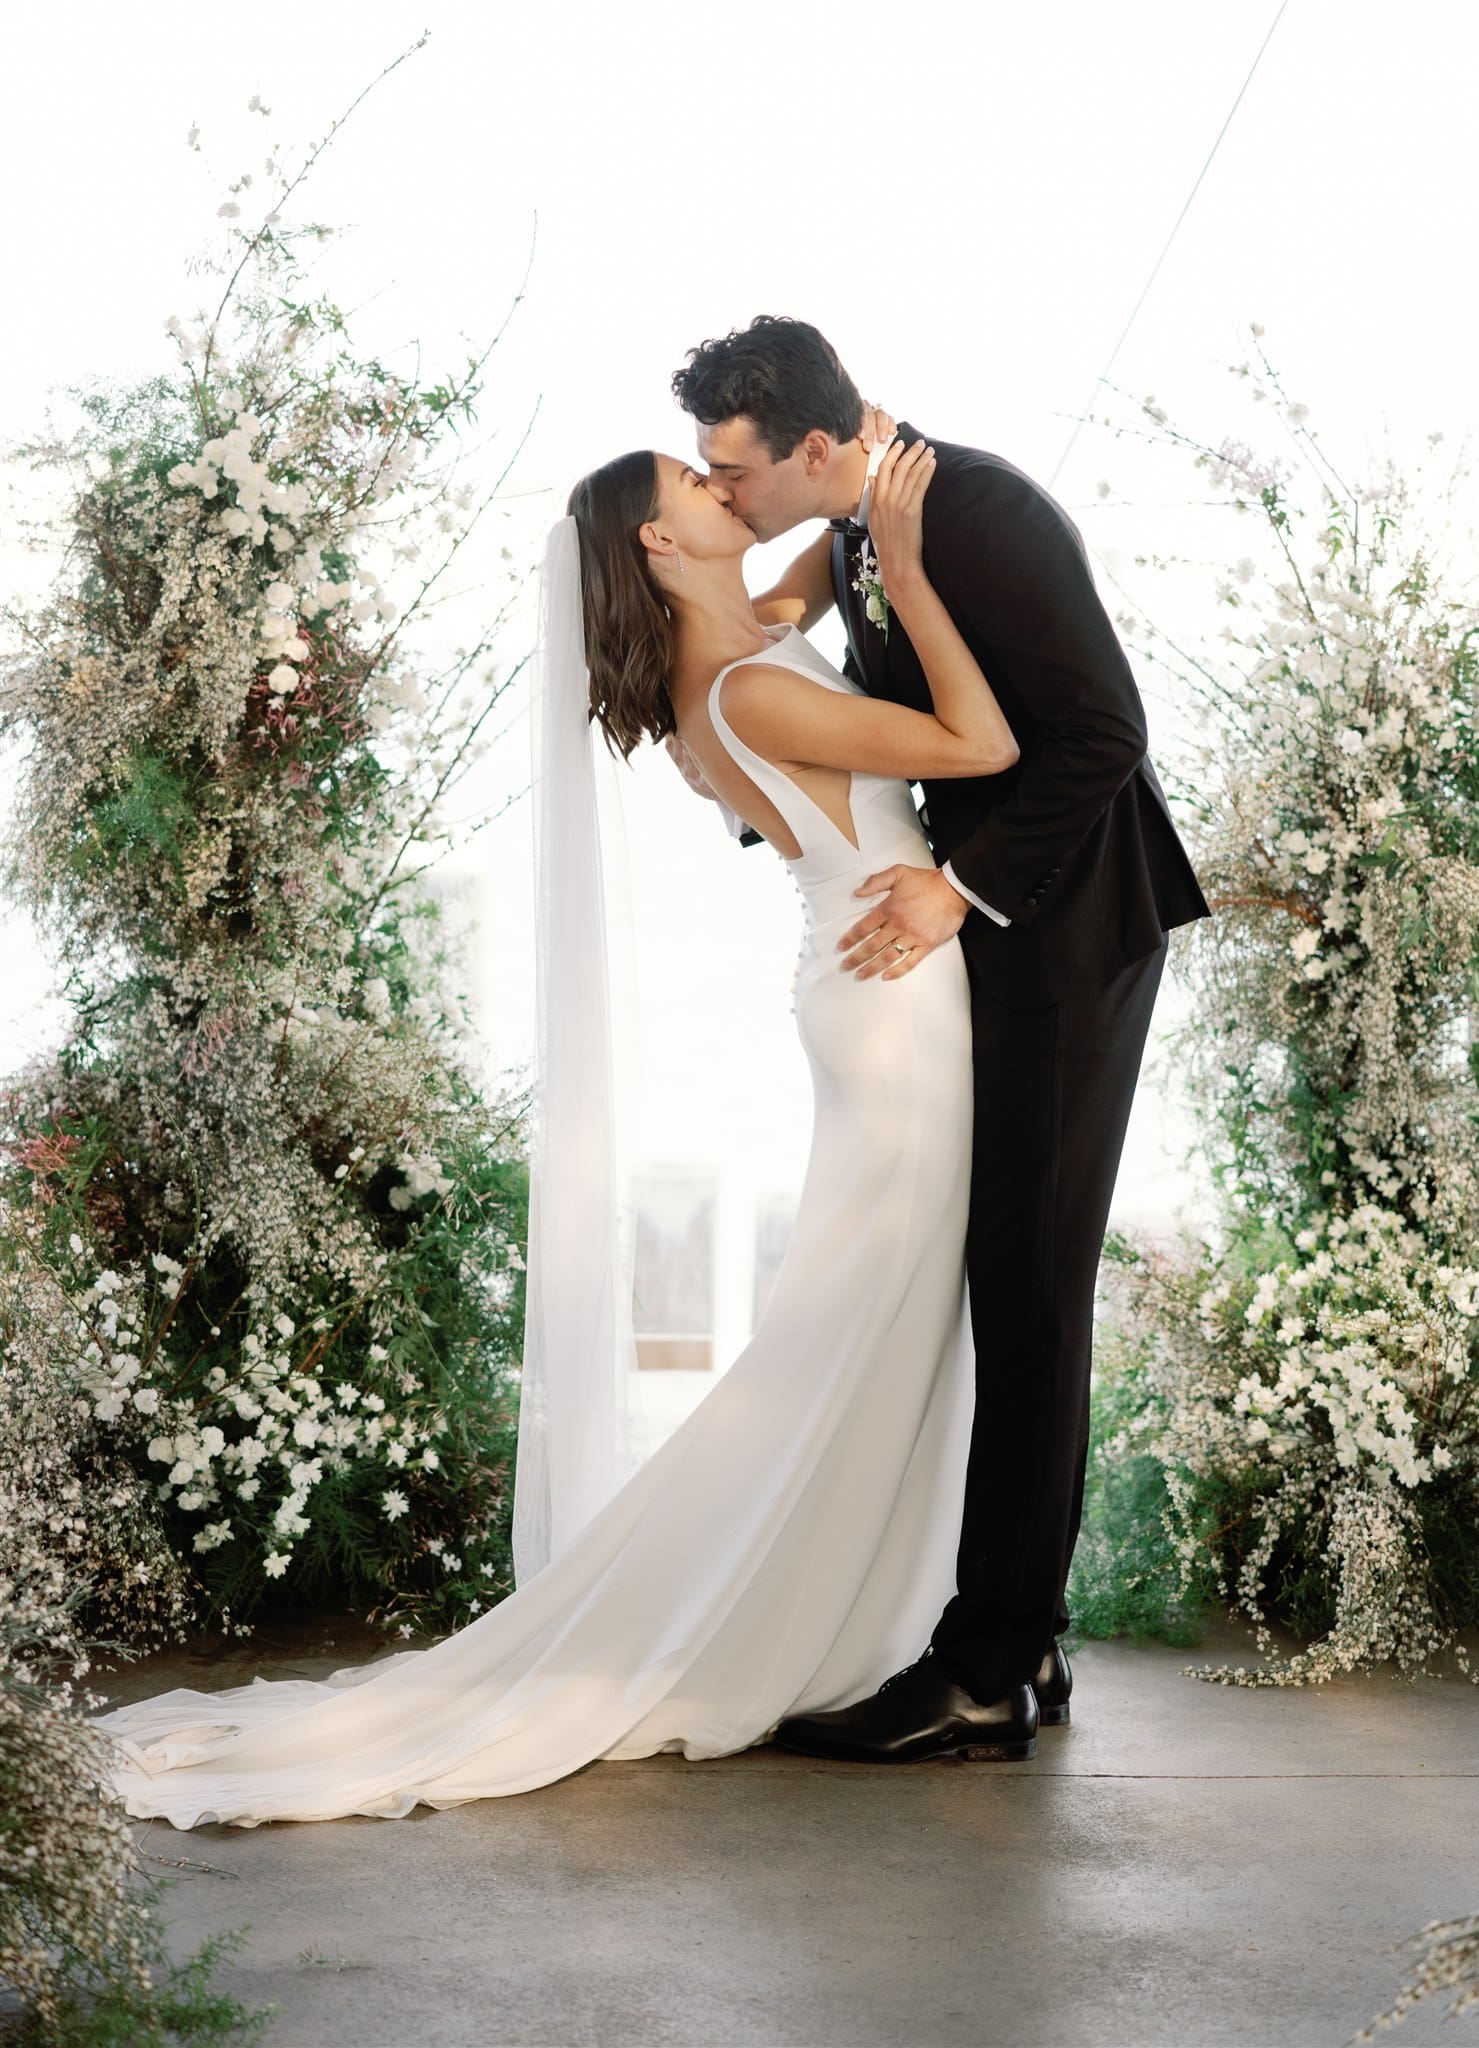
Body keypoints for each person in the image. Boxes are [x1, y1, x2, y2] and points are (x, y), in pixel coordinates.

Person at [87, 431, 1050, 1830]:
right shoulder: (753, 691)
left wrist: (837, 553)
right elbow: (985, 744)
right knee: (857, 1334)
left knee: (863, 1329)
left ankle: (893, 1614)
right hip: (897, 1012)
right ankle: (804, 1617)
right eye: (692, 485)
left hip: (863, 990)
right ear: (660, 545)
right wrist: (897, 558)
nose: (722, 488)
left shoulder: (707, 678)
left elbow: (780, 593)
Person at [669, 317, 1212, 1763]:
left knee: (1030, 1292)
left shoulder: (978, 511)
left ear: (823, 447)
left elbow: (1104, 732)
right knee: (1003, 1284)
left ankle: (982, 1672)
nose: (721, 495)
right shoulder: (859, 520)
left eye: (735, 474)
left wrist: (956, 890)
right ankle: (1020, 1634)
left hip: (1064, 936)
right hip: (988, 944)